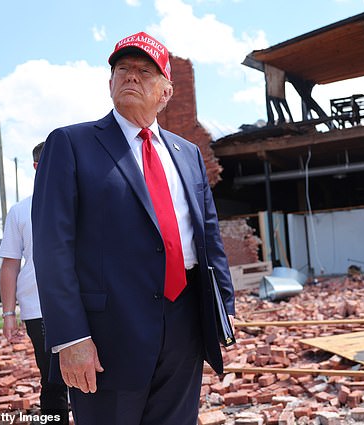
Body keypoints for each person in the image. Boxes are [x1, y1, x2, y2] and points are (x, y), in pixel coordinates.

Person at [32, 31, 235, 425]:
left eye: (145, 71)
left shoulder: (187, 153)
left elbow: (209, 239)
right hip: (107, 335)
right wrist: (71, 338)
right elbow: (52, 248)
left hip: (185, 324)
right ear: (110, 82)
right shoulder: (71, 144)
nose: (131, 76)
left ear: (165, 91)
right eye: (122, 69)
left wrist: (222, 310)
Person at [0, 142, 69, 423]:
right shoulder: (20, 211)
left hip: (86, 303)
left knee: (94, 375)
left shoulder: (81, 202)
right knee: (53, 381)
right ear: (38, 167)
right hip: (39, 308)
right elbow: (10, 264)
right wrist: (7, 314)